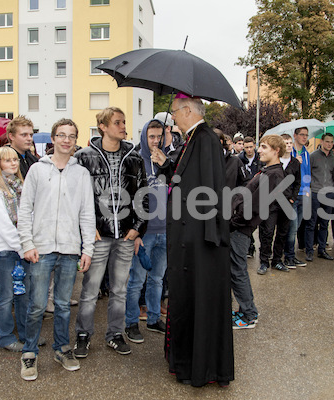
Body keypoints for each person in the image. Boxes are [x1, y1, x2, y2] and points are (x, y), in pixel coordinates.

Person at [155, 93, 233, 387]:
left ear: (187, 110)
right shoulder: (192, 139)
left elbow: (211, 190)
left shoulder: (205, 139)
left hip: (199, 240)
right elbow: (185, 182)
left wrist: (208, 235)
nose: (172, 116)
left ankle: (199, 367)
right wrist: (166, 166)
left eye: (175, 112)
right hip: (188, 235)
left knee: (199, 301)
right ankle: (185, 360)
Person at [18, 118, 95, 381]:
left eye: (71, 136)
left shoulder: (81, 174)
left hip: (70, 249)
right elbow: (25, 209)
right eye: (61, 135)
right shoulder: (38, 171)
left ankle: (62, 348)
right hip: (40, 249)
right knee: (37, 305)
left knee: (63, 305)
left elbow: (87, 214)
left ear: (76, 140)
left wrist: (88, 249)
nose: (66, 140)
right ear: (52, 138)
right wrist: (27, 243)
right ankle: (29, 352)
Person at [74, 107, 148, 358]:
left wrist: (137, 229)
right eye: (117, 122)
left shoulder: (134, 157)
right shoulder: (84, 157)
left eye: (124, 122)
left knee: (119, 289)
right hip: (98, 235)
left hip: (125, 236)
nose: (123, 126)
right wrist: (87, 227)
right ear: (103, 127)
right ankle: (83, 335)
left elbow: (143, 197)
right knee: (91, 288)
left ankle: (115, 334)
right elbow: (76, 197)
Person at [230, 134, 288, 328]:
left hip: (241, 229)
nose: (259, 150)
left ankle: (249, 315)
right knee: (236, 270)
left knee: (238, 271)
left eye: (264, 147)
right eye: (260, 146)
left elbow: (254, 206)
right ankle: (245, 310)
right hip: (241, 226)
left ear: (276, 150)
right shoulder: (269, 171)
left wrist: (234, 222)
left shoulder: (274, 175)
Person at [0, 146, 30, 352]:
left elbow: (28, 215)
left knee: (24, 294)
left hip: (23, 248)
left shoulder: (20, 185)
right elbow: (2, 223)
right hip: (4, 250)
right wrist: (22, 247)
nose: (13, 164)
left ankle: (28, 335)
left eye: (15, 160)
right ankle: (5, 337)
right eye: (7, 160)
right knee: (6, 295)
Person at [124, 119, 168, 345]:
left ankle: (153, 319)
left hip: (165, 230)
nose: (155, 141)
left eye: (159, 136)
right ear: (143, 137)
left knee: (158, 279)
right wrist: (136, 232)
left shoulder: (167, 162)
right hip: (145, 232)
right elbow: (129, 198)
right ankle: (131, 322)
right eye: (151, 136)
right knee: (137, 280)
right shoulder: (135, 160)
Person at [257, 133, 301, 274]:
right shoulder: (270, 162)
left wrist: (293, 198)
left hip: (287, 202)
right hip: (271, 204)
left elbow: (297, 182)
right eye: (285, 143)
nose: (288, 145)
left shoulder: (295, 163)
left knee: (283, 233)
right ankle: (264, 262)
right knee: (267, 232)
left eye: (290, 143)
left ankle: (277, 260)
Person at [305, 132, 334, 261]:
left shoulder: (333, 158)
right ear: (322, 142)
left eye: (331, 142)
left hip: (328, 194)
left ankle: (322, 249)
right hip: (315, 193)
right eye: (327, 141)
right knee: (311, 223)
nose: (329, 144)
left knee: (325, 223)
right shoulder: (313, 156)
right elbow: (307, 173)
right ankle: (309, 251)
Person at [284, 127, 310, 268]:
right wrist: (294, 162)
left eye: (306, 135)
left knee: (297, 227)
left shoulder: (306, 153)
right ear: (295, 136)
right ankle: (289, 257)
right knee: (292, 228)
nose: (304, 137)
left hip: (304, 194)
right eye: (302, 135)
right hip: (292, 195)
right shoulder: (290, 153)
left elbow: (307, 173)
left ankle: (289, 254)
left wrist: (308, 189)